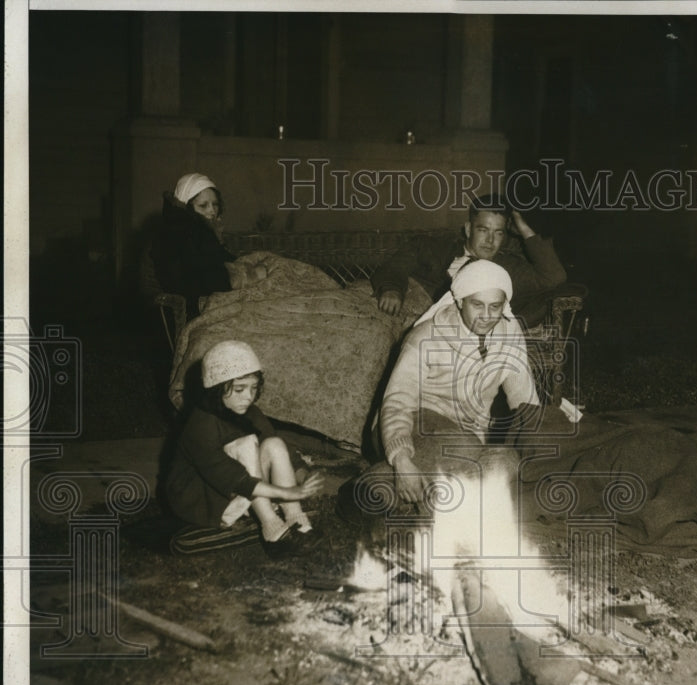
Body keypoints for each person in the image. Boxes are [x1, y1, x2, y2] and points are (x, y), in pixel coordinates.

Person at [369, 259, 541, 506]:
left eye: (495, 306)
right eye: (477, 305)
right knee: (469, 454)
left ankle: (383, 489)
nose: (486, 316)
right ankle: (400, 484)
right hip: (403, 428)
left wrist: (537, 443)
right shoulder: (426, 337)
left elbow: (524, 401)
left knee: (507, 460)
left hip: (465, 437)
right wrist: (402, 460)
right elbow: (397, 402)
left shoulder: (509, 335)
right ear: (460, 301)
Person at [165, 340, 324, 549]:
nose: (248, 397)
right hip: (205, 497)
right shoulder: (200, 425)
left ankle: (295, 518)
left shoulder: (250, 412)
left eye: (253, 388)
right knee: (246, 444)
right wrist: (287, 492)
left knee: (274, 443)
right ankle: (272, 528)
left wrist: (302, 473)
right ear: (216, 389)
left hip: (242, 487)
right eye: (239, 389)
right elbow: (230, 477)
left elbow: (276, 444)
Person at [370, 194, 568, 326]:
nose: (490, 241)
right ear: (468, 229)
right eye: (483, 230)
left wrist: (523, 228)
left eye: (498, 233)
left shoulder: (509, 269)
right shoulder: (436, 247)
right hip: (399, 307)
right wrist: (391, 289)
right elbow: (395, 265)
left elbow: (554, 276)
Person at [150, 172, 235, 317]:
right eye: (203, 205)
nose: (212, 211)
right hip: (194, 309)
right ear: (186, 206)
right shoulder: (186, 232)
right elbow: (210, 281)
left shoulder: (195, 229)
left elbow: (221, 259)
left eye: (215, 204)